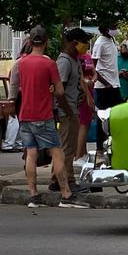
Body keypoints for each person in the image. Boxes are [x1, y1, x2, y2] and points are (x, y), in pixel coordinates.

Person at [15, 27, 89, 209]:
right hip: (43, 115)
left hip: (25, 115)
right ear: (47, 42)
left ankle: (33, 195)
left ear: (30, 42)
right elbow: (60, 91)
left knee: (31, 154)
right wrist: (52, 91)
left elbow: (16, 86)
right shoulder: (50, 64)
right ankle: (66, 193)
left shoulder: (21, 63)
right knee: (57, 152)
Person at [54, 28, 90, 180]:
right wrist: (67, 111)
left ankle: (57, 180)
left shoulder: (74, 60)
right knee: (67, 150)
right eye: (85, 42)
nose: (86, 45)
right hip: (66, 112)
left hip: (72, 109)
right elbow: (59, 90)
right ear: (75, 42)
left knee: (68, 148)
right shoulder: (64, 62)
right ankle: (67, 180)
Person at [4, 38, 33, 151]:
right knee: (17, 120)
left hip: (18, 94)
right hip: (22, 94)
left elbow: (11, 80)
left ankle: (16, 142)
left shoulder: (18, 61)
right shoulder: (23, 62)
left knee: (17, 120)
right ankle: (12, 143)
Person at [91, 22, 122, 113]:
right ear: (106, 29)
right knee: (104, 117)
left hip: (114, 84)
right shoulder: (99, 43)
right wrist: (106, 83)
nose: (116, 29)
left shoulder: (112, 40)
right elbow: (93, 68)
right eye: (113, 27)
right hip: (104, 87)